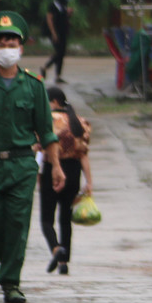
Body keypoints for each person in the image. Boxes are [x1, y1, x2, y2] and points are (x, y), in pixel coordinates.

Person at [0, 11, 65, 303]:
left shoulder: (33, 85)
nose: (7, 46)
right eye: (1, 42)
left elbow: (47, 132)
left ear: (21, 47)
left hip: (22, 165)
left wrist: (56, 165)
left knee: (17, 226)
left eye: (12, 41)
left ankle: (10, 283)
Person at [40, 85, 93, 276]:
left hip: (52, 171)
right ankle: (64, 262)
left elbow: (38, 148)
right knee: (65, 218)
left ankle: (56, 248)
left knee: (47, 219)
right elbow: (83, 155)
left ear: (53, 102)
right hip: (74, 172)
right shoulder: (80, 122)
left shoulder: (48, 121)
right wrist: (89, 182)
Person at [41, 0, 73, 83]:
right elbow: (49, 19)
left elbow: (63, 17)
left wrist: (69, 13)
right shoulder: (54, 4)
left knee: (62, 53)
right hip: (55, 32)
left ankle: (58, 76)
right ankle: (45, 67)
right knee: (59, 52)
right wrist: (53, 33)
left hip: (63, 32)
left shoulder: (64, 5)